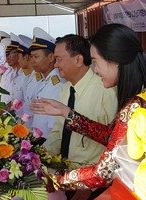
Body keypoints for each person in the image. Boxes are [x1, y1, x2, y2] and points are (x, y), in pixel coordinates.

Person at [30, 24, 146, 199]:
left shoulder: (135, 106)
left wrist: (56, 179)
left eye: (95, 61)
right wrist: (68, 114)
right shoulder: (137, 98)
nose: (95, 69)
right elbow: (113, 137)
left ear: (115, 60)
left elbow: (104, 171)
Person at [29, 27, 66, 138]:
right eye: (31, 57)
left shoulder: (57, 84)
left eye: (36, 57)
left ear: (51, 57)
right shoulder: (44, 81)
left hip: (49, 146)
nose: (32, 61)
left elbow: (54, 126)